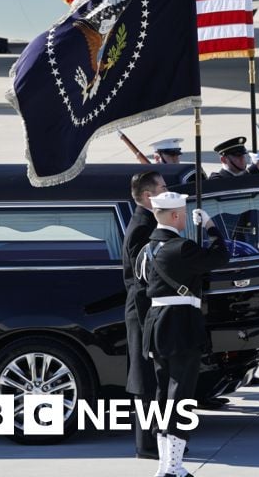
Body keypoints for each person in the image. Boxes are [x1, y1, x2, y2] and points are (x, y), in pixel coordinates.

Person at [136, 192, 229, 477]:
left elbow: (141, 283)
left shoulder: (146, 250)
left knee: (164, 394)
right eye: (184, 214)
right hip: (180, 324)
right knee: (182, 395)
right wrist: (212, 227)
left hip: (156, 325)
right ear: (175, 216)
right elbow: (220, 257)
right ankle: (173, 466)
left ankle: (166, 466)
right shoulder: (181, 248)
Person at [122, 171, 166, 460]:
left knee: (153, 380)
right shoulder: (142, 226)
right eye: (162, 187)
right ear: (149, 196)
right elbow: (142, 277)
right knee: (145, 380)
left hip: (146, 312)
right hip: (142, 313)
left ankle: (156, 440)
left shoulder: (149, 221)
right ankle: (147, 445)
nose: (167, 189)